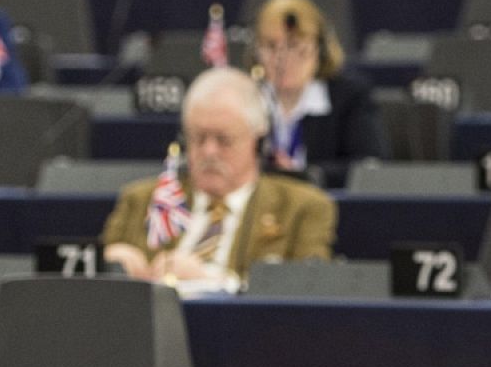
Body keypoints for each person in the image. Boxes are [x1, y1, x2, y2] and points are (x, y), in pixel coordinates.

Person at [100, 67, 336, 287]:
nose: (209, 152)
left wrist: (211, 281)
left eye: (224, 140)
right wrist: (107, 265)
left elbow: (307, 292)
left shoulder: (303, 208)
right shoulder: (140, 200)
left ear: (257, 141)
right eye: (198, 138)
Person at [251, 0, 387, 188]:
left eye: (295, 47)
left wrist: (306, 175)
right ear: (257, 52)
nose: (282, 60)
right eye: (272, 47)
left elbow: (369, 168)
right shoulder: (244, 97)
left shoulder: (349, 96)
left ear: (319, 50)